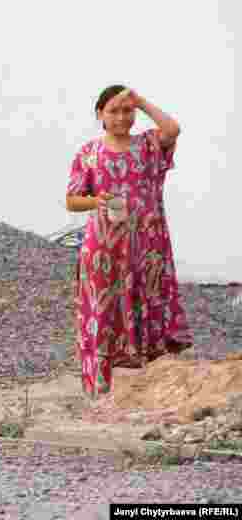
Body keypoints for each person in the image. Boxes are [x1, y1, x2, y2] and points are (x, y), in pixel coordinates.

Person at [65, 85, 193, 397]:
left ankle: (149, 384)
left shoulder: (148, 145)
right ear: (100, 114)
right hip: (104, 248)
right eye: (114, 111)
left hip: (148, 246)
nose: (121, 117)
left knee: (148, 304)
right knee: (104, 312)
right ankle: (103, 387)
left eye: (127, 110)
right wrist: (97, 200)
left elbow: (173, 129)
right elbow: (71, 200)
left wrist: (141, 101)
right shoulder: (89, 153)